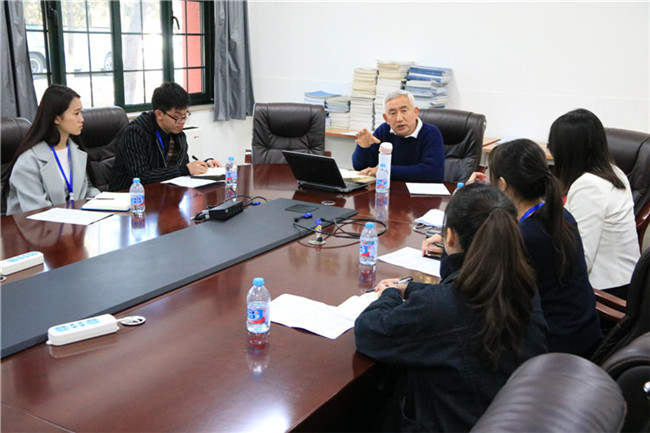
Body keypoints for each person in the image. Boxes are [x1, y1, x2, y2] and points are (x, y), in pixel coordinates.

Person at [355, 183, 548, 432]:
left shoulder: (445, 306)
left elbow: (369, 332)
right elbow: (463, 295)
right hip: (512, 419)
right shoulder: (524, 285)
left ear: (450, 237)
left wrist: (390, 294)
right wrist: (411, 288)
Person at [485, 139, 601, 357]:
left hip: (550, 349)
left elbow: (489, 293)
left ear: (502, 184)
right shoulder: (560, 215)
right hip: (583, 336)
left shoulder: (524, 236)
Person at [548, 108, 639, 298]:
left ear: (568, 151)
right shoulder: (614, 172)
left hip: (606, 292)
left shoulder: (589, 186)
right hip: (628, 282)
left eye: (553, 146)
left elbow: (582, 259)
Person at [4, 85, 100, 215]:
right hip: (36, 225)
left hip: (72, 222)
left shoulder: (75, 151)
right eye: (76, 113)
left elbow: (86, 189)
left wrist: (102, 201)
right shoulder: (28, 162)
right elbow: (37, 211)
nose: (81, 119)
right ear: (56, 118)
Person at [109, 82, 221, 191]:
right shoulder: (136, 133)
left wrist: (204, 166)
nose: (182, 121)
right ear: (159, 114)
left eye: (185, 115)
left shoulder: (178, 135)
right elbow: (141, 177)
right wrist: (185, 169)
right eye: (177, 117)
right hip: (128, 196)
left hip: (162, 193)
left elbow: (183, 167)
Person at [352, 90, 445, 182]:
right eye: (393, 113)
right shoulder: (384, 130)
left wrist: (386, 170)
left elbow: (433, 173)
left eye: (404, 111)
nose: (399, 119)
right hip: (389, 189)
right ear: (386, 118)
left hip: (421, 190)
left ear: (415, 112)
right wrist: (363, 148)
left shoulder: (431, 133)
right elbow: (360, 168)